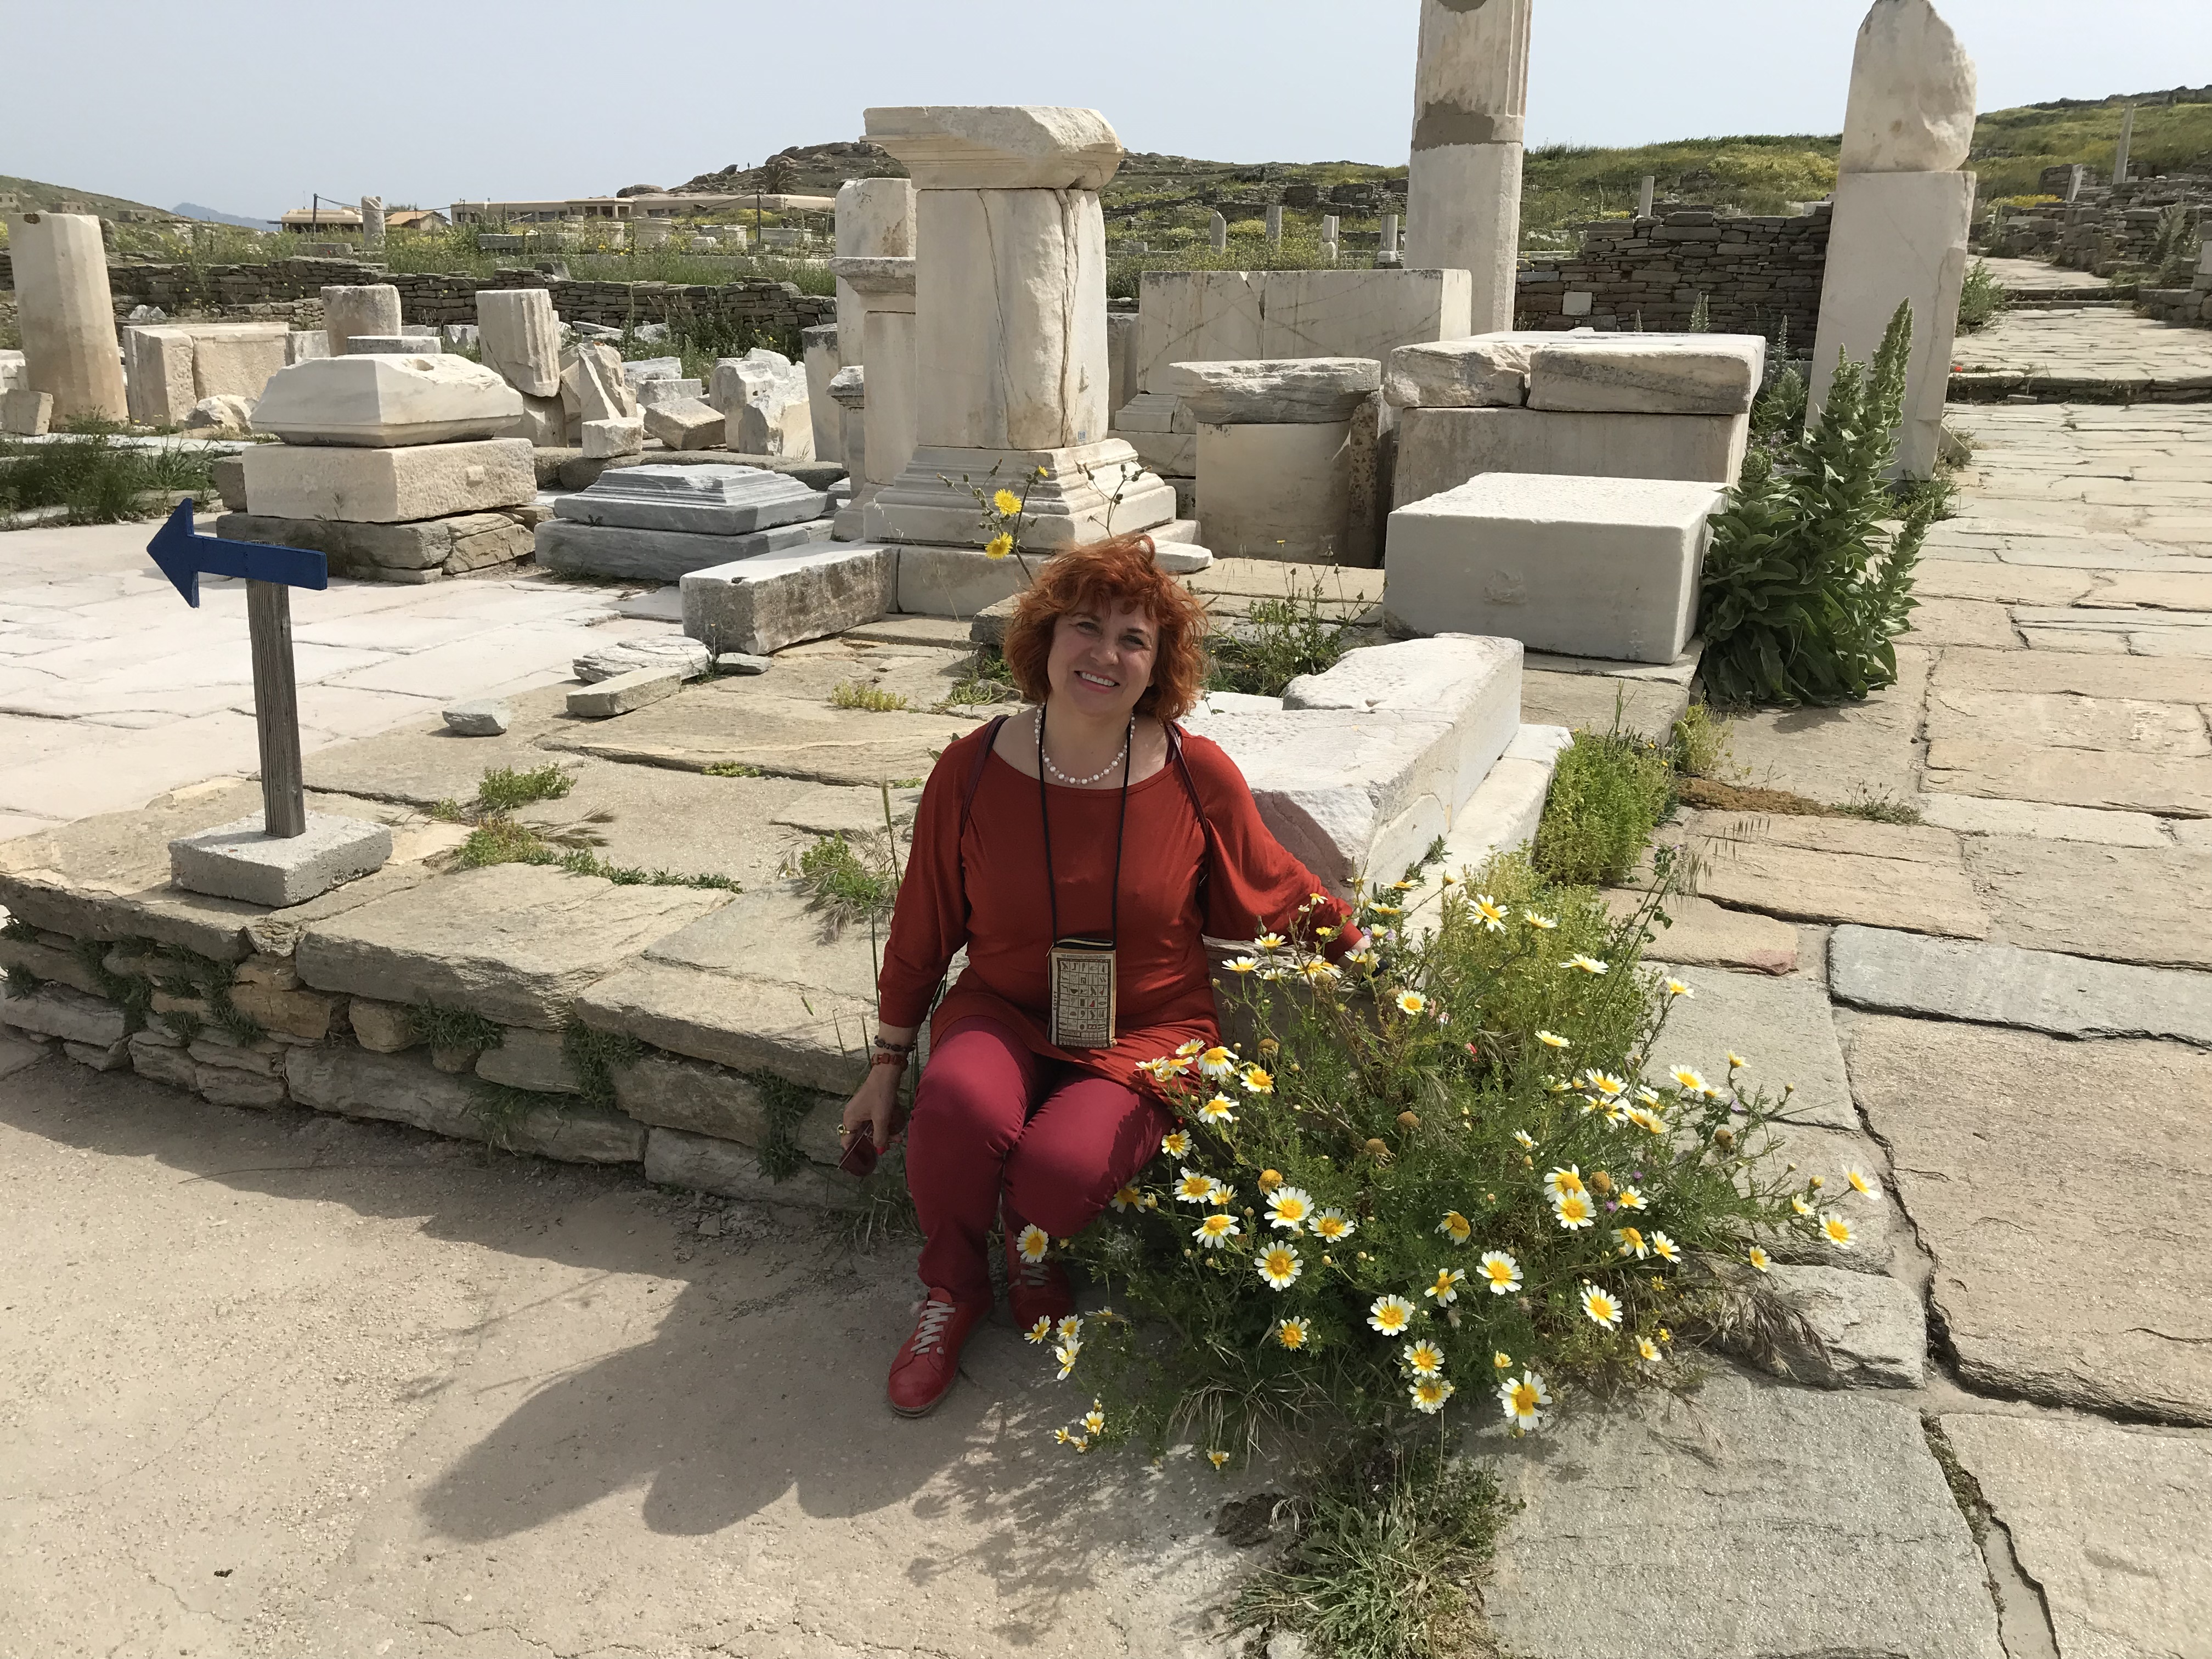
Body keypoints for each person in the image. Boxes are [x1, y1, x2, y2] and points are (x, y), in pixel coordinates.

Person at [842, 531, 1359, 1417]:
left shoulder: (1194, 773)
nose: (1106, 654)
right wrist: (887, 1063)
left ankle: (1031, 1246)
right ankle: (953, 1288)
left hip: (1149, 1028)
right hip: (1004, 1008)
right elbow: (923, 925)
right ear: (1045, 638)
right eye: (1086, 627)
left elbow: (1273, 887)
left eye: (1134, 639)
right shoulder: (971, 770)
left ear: (1157, 667)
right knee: (956, 1110)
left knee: (1062, 1168)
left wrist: (1374, 963)